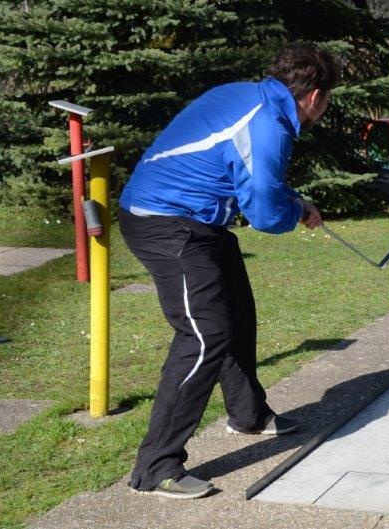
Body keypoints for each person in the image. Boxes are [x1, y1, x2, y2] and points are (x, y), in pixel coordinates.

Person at [118, 42, 339, 499]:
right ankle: (156, 466)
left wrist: (293, 200)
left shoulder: (251, 97)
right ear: (316, 96)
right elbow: (263, 212)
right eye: (328, 99)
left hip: (200, 222)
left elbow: (245, 170)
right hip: (165, 223)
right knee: (204, 335)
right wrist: (289, 211)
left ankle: (248, 415)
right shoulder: (269, 124)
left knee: (236, 314)